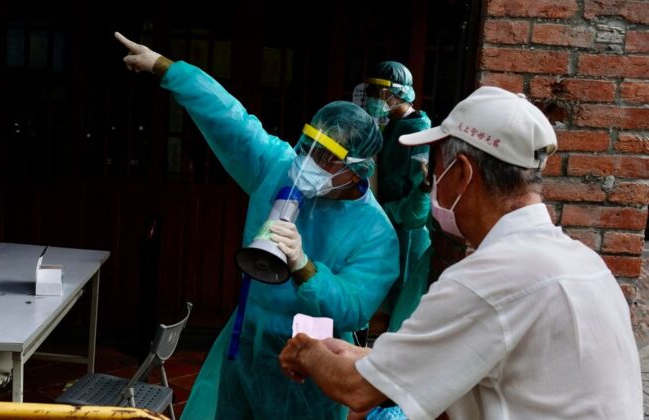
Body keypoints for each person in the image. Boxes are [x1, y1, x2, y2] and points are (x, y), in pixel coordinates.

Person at [279, 86, 643, 419]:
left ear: (463, 173)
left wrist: (304, 352)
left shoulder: (489, 278)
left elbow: (355, 390)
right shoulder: (584, 262)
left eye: (436, 169)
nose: (433, 181)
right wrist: (370, 360)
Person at [114, 32, 400, 419]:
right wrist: (169, 69)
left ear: (357, 171)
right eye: (307, 146)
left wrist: (303, 267)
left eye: (326, 158)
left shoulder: (374, 232)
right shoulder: (277, 167)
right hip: (247, 341)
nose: (307, 163)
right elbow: (231, 121)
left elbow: (355, 307)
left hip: (310, 366)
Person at [361, 60, 433, 420]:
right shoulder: (391, 127)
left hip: (407, 231)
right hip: (389, 224)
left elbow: (417, 203)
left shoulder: (418, 129)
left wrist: (386, 212)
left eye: (380, 92)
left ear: (395, 93)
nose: (375, 98)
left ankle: (396, 404)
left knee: (402, 319)